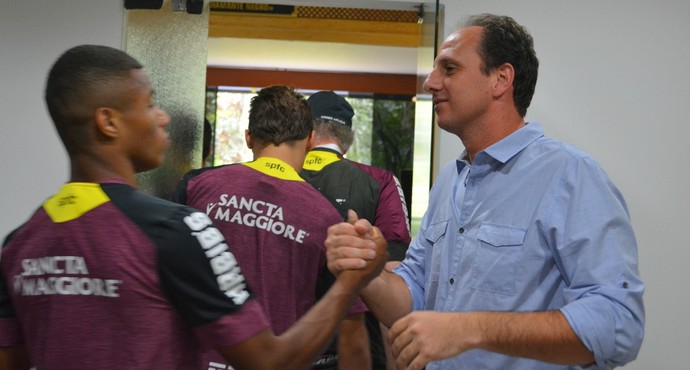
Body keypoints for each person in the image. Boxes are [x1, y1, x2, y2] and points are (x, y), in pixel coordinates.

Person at [0, 45, 387, 370]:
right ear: (108, 122)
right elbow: (270, 361)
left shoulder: (21, 243)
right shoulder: (172, 230)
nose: (162, 116)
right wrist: (351, 282)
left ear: (251, 137)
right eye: (149, 105)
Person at [324, 13, 645, 370]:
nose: (431, 83)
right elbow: (411, 296)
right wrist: (367, 273)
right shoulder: (450, 179)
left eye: (449, 68)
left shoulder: (570, 175)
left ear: (500, 79)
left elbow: (619, 323)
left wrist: (471, 328)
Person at [171, 85, 372, 370]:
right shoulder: (329, 217)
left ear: (249, 137)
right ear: (311, 140)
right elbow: (350, 326)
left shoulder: (195, 186)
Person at [301, 91, 412, 369]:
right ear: (347, 141)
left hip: (283, 340)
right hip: (354, 344)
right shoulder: (380, 181)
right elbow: (395, 267)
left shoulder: (273, 177)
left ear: (305, 133)